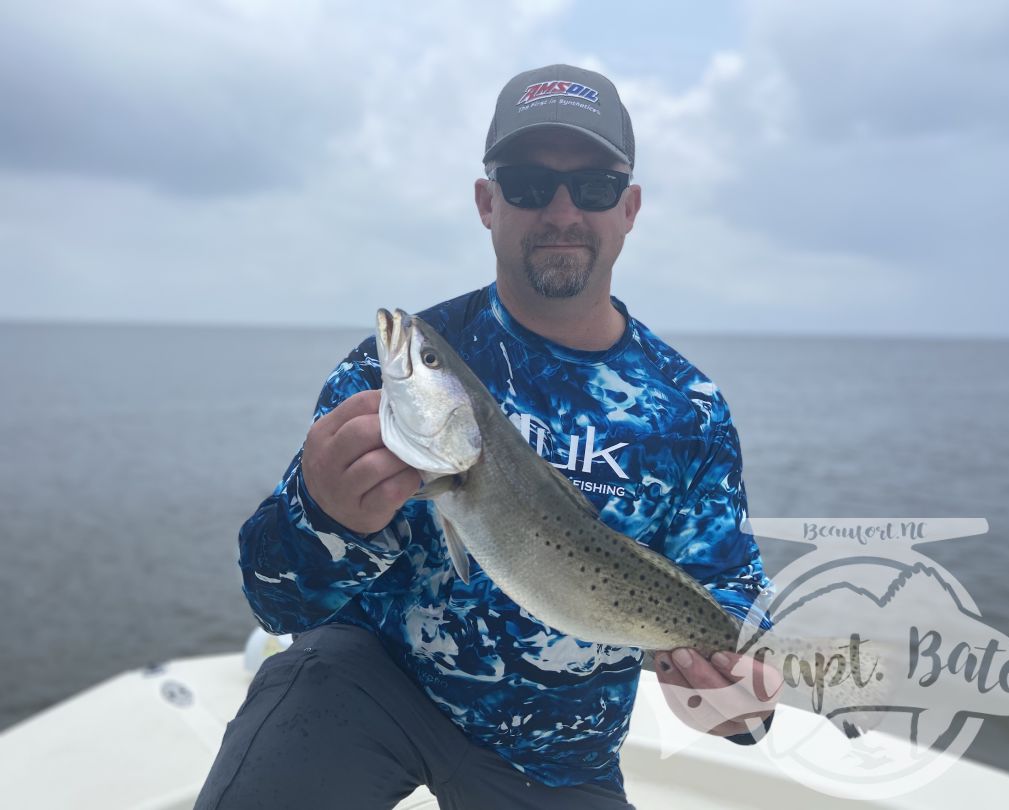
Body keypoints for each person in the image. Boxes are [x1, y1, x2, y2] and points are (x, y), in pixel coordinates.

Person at [195, 64, 777, 810]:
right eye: (529, 182)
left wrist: (737, 700)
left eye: (593, 187)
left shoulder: (688, 411)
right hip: (370, 683)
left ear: (629, 208)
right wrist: (323, 515)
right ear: (486, 201)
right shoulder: (387, 383)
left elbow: (730, 605)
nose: (561, 210)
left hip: (563, 748)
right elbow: (274, 600)